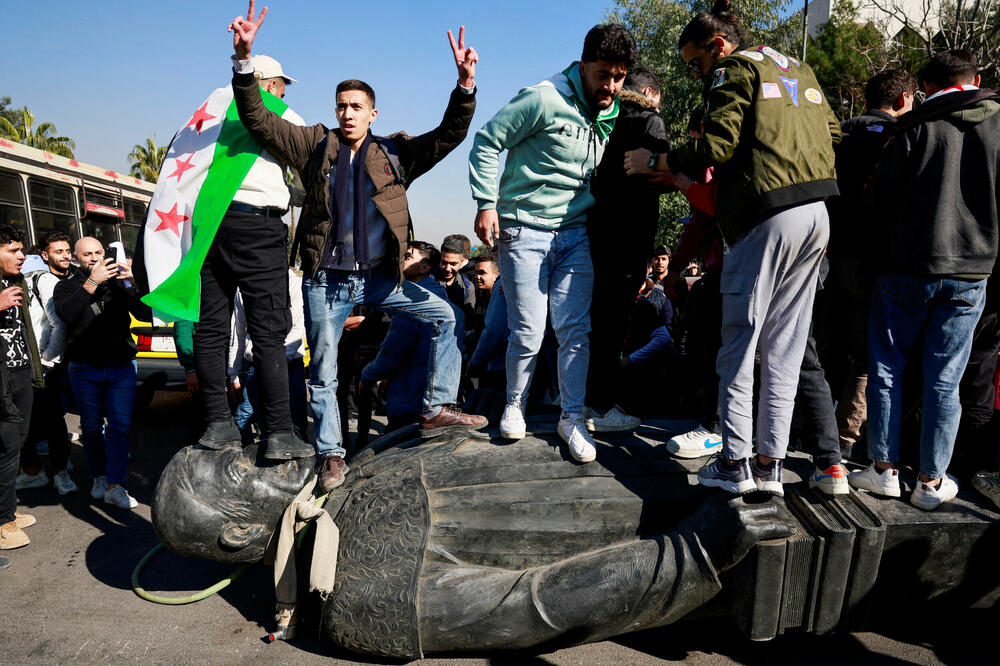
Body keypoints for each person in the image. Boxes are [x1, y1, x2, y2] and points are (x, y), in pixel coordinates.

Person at [227, 2, 487, 492]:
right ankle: (331, 454)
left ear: (373, 113)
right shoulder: (314, 145)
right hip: (327, 282)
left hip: (382, 279)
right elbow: (258, 119)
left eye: (356, 106)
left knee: (446, 316)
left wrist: (465, 87)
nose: (347, 113)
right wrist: (244, 62)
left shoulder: (394, 153)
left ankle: (436, 407)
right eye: (341, 106)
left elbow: (448, 136)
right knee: (324, 371)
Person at [625, 0, 840, 496]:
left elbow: (715, 146)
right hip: (817, 214)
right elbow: (832, 133)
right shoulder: (799, 68)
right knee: (785, 351)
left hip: (765, 216)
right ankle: (769, 467)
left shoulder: (734, 69)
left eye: (696, 64)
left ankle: (734, 463)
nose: (698, 74)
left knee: (738, 347)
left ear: (719, 45)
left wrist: (656, 160)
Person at [469, 23, 637, 462]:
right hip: (524, 229)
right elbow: (486, 141)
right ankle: (515, 404)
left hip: (574, 232)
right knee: (528, 330)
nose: (611, 86)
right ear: (582, 66)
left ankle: (572, 417)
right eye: (602, 75)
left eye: (619, 77)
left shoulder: (610, 109)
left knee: (576, 331)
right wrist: (486, 203)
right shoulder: (542, 98)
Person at [849, 50, 1000, 510]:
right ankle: (932, 482)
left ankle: (883, 470)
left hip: (906, 266)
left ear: (928, 87)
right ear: (976, 79)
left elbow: (877, 200)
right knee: (946, 379)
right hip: (973, 269)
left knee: (887, 368)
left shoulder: (915, 126)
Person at [189, 48, 311, 464]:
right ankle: (278, 433)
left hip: (209, 225)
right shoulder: (279, 112)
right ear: (271, 85)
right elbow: (309, 164)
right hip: (258, 227)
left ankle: (217, 424)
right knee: (268, 333)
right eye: (281, 89)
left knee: (211, 329)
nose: (282, 95)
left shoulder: (208, 113)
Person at [826, 69, 916, 462]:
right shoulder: (902, 137)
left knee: (826, 345)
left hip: (828, 249)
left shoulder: (839, 134)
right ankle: (846, 437)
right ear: (902, 100)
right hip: (875, 258)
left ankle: (811, 426)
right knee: (866, 352)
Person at [586, 65, 670, 433]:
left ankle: (581, 398)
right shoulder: (650, 121)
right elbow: (662, 174)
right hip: (631, 236)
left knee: (592, 320)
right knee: (614, 324)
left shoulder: (603, 117)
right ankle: (603, 407)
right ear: (650, 93)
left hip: (595, 231)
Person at [54, 237, 149, 510]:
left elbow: (145, 313)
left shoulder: (117, 283)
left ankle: (115, 485)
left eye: (98, 252)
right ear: (76, 257)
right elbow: (68, 314)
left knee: (120, 426)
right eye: (87, 254)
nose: (95, 258)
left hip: (120, 366)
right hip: (85, 368)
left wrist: (133, 282)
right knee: (92, 426)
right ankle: (99, 476)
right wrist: (92, 282)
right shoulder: (66, 285)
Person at [361, 242, 464, 430]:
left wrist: (367, 375)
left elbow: (392, 354)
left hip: (410, 399)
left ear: (425, 267)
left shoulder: (413, 303)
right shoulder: (442, 300)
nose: (400, 260)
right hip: (433, 401)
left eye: (408, 256)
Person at [17, 231, 77, 495]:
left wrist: (47, 360)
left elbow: (58, 324)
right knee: (23, 421)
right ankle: (33, 472)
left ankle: (60, 472)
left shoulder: (42, 280)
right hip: (21, 365)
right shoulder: (12, 281)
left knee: (53, 420)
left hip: (45, 366)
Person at [0, 225, 43, 553]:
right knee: (5, 447)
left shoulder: (16, 281)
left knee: (18, 442)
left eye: (22, 250)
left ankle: (8, 510)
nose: (21, 256)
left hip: (19, 374)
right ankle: (3, 523)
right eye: (12, 250)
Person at [229, 267, 308, 444]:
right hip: (255, 365)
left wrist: (275, 363)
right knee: (247, 419)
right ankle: (249, 457)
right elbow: (238, 333)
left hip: (289, 365)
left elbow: (299, 328)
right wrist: (234, 374)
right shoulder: (244, 286)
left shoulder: (294, 283)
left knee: (296, 425)